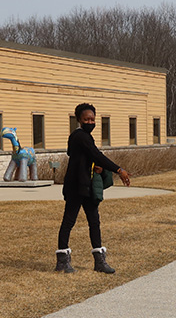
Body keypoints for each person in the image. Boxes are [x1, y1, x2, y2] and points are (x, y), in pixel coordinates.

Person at [56, 102, 131, 274]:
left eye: (92, 119)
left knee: (94, 222)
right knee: (69, 221)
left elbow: (88, 157)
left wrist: (97, 167)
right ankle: (62, 262)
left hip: (88, 186)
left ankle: (99, 262)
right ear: (79, 120)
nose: (90, 122)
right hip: (76, 187)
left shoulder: (84, 138)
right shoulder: (79, 136)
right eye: (86, 119)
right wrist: (119, 170)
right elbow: (95, 154)